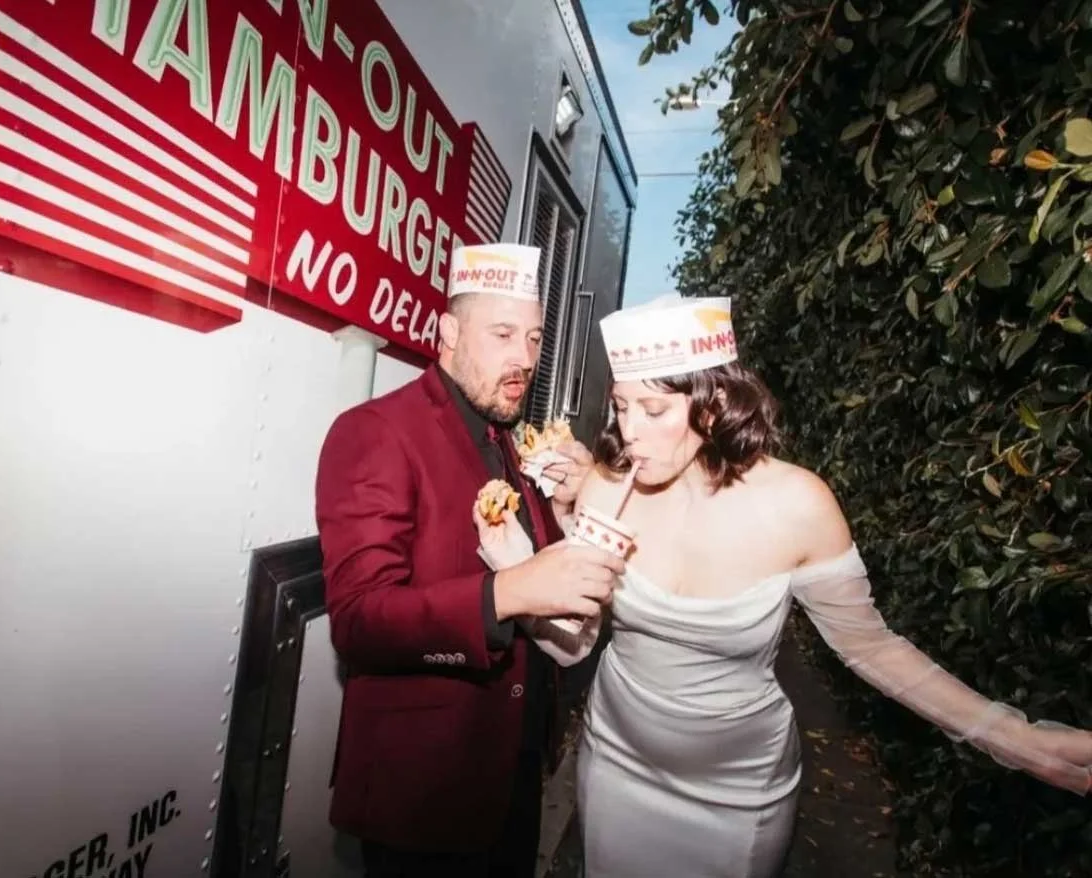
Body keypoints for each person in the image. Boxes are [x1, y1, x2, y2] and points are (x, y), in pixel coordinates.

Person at [473, 294, 1092, 878]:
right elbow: (574, 645)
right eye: (621, 406)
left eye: (653, 410)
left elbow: (871, 647)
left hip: (737, 793)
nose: (629, 431)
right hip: (616, 764)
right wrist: (516, 567)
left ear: (712, 406)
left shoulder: (798, 505)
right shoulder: (608, 490)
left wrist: (1012, 737)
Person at [314, 242, 623, 878]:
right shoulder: (376, 431)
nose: (525, 359)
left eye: (534, 339)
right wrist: (508, 594)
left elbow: (535, 564)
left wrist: (566, 510)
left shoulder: (505, 436)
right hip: (424, 793)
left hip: (512, 773)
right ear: (449, 333)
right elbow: (359, 621)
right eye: (503, 334)